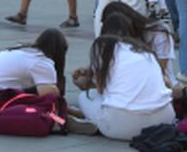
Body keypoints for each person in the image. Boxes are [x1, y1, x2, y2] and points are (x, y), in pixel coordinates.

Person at [68, 12, 175, 140]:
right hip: (165, 119)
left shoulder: (103, 46)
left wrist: (83, 83)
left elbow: (101, 90)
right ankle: (90, 118)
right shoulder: (144, 50)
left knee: (86, 97)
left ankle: (88, 118)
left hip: (124, 126)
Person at [0, 28, 66, 123]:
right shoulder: (41, 61)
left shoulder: (20, 49)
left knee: (34, 89)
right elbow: (51, 94)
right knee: (42, 95)